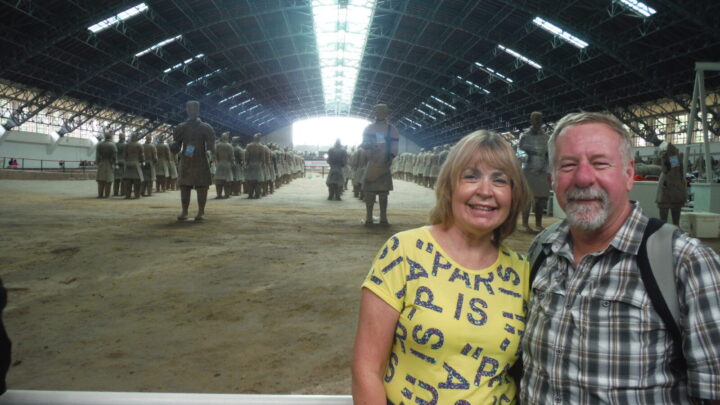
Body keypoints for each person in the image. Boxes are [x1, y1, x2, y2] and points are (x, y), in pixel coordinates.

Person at [521, 111, 720, 404]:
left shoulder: (686, 262)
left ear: (629, 174)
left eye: (600, 163)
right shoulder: (541, 250)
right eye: (568, 165)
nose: (584, 177)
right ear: (552, 179)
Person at [352, 130, 531, 404]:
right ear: (449, 186)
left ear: (513, 195)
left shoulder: (522, 272)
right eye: (471, 176)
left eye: (500, 180)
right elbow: (367, 369)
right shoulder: (404, 251)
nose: (485, 191)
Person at [171, 100, 215, 221]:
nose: (192, 111)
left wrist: (210, 155)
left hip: (201, 159)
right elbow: (177, 144)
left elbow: (211, 146)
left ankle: (201, 212)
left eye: (194, 109)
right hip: (187, 159)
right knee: (185, 186)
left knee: (202, 186)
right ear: (187, 110)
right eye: (190, 109)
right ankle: (184, 211)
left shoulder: (206, 128)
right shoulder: (182, 127)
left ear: (198, 110)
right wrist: (174, 147)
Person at [361, 103, 400, 226]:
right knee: (369, 193)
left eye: (383, 111)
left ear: (387, 113)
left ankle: (384, 218)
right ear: (375, 112)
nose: (380, 113)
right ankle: (369, 218)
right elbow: (364, 142)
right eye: (378, 111)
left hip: (384, 163)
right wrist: (368, 146)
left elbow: (395, 146)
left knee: (383, 193)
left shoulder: (392, 129)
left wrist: (390, 157)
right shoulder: (368, 128)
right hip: (372, 162)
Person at [518, 111, 551, 233]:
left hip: (542, 170)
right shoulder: (524, 135)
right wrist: (524, 156)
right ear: (531, 120)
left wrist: (548, 169)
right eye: (535, 119)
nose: (538, 121)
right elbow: (519, 151)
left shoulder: (546, 137)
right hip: (528, 169)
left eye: (540, 119)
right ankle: (525, 224)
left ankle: (538, 224)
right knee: (528, 198)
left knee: (541, 199)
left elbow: (549, 154)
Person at [655, 140, 687, 225]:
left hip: (672, 188)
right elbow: (669, 169)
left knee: (670, 219)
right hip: (671, 188)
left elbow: (670, 170)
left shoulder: (672, 156)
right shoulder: (673, 156)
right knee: (667, 220)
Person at [94, 131, 117, 198]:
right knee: (108, 181)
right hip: (109, 164)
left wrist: (98, 163)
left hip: (101, 163)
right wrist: (114, 163)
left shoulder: (99, 145)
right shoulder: (113, 145)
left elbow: (97, 156)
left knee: (100, 181)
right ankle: (107, 195)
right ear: (110, 137)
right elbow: (115, 157)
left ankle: (100, 195)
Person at [123, 133, 145, 199]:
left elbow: (124, 156)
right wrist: (142, 161)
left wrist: (127, 161)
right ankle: (137, 195)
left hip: (128, 164)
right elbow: (142, 156)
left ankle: (127, 195)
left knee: (127, 181)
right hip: (136, 164)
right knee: (137, 181)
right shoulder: (139, 145)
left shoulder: (127, 145)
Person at [213, 132, 235, 199]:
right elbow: (232, 157)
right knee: (227, 181)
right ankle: (227, 195)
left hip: (219, 164)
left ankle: (219, 195)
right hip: (227, 164)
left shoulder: (218, 145)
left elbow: (215, 156)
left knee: (219, 181)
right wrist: (232, 163)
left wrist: (216, 163)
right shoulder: (229, 146)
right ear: (227, 138)